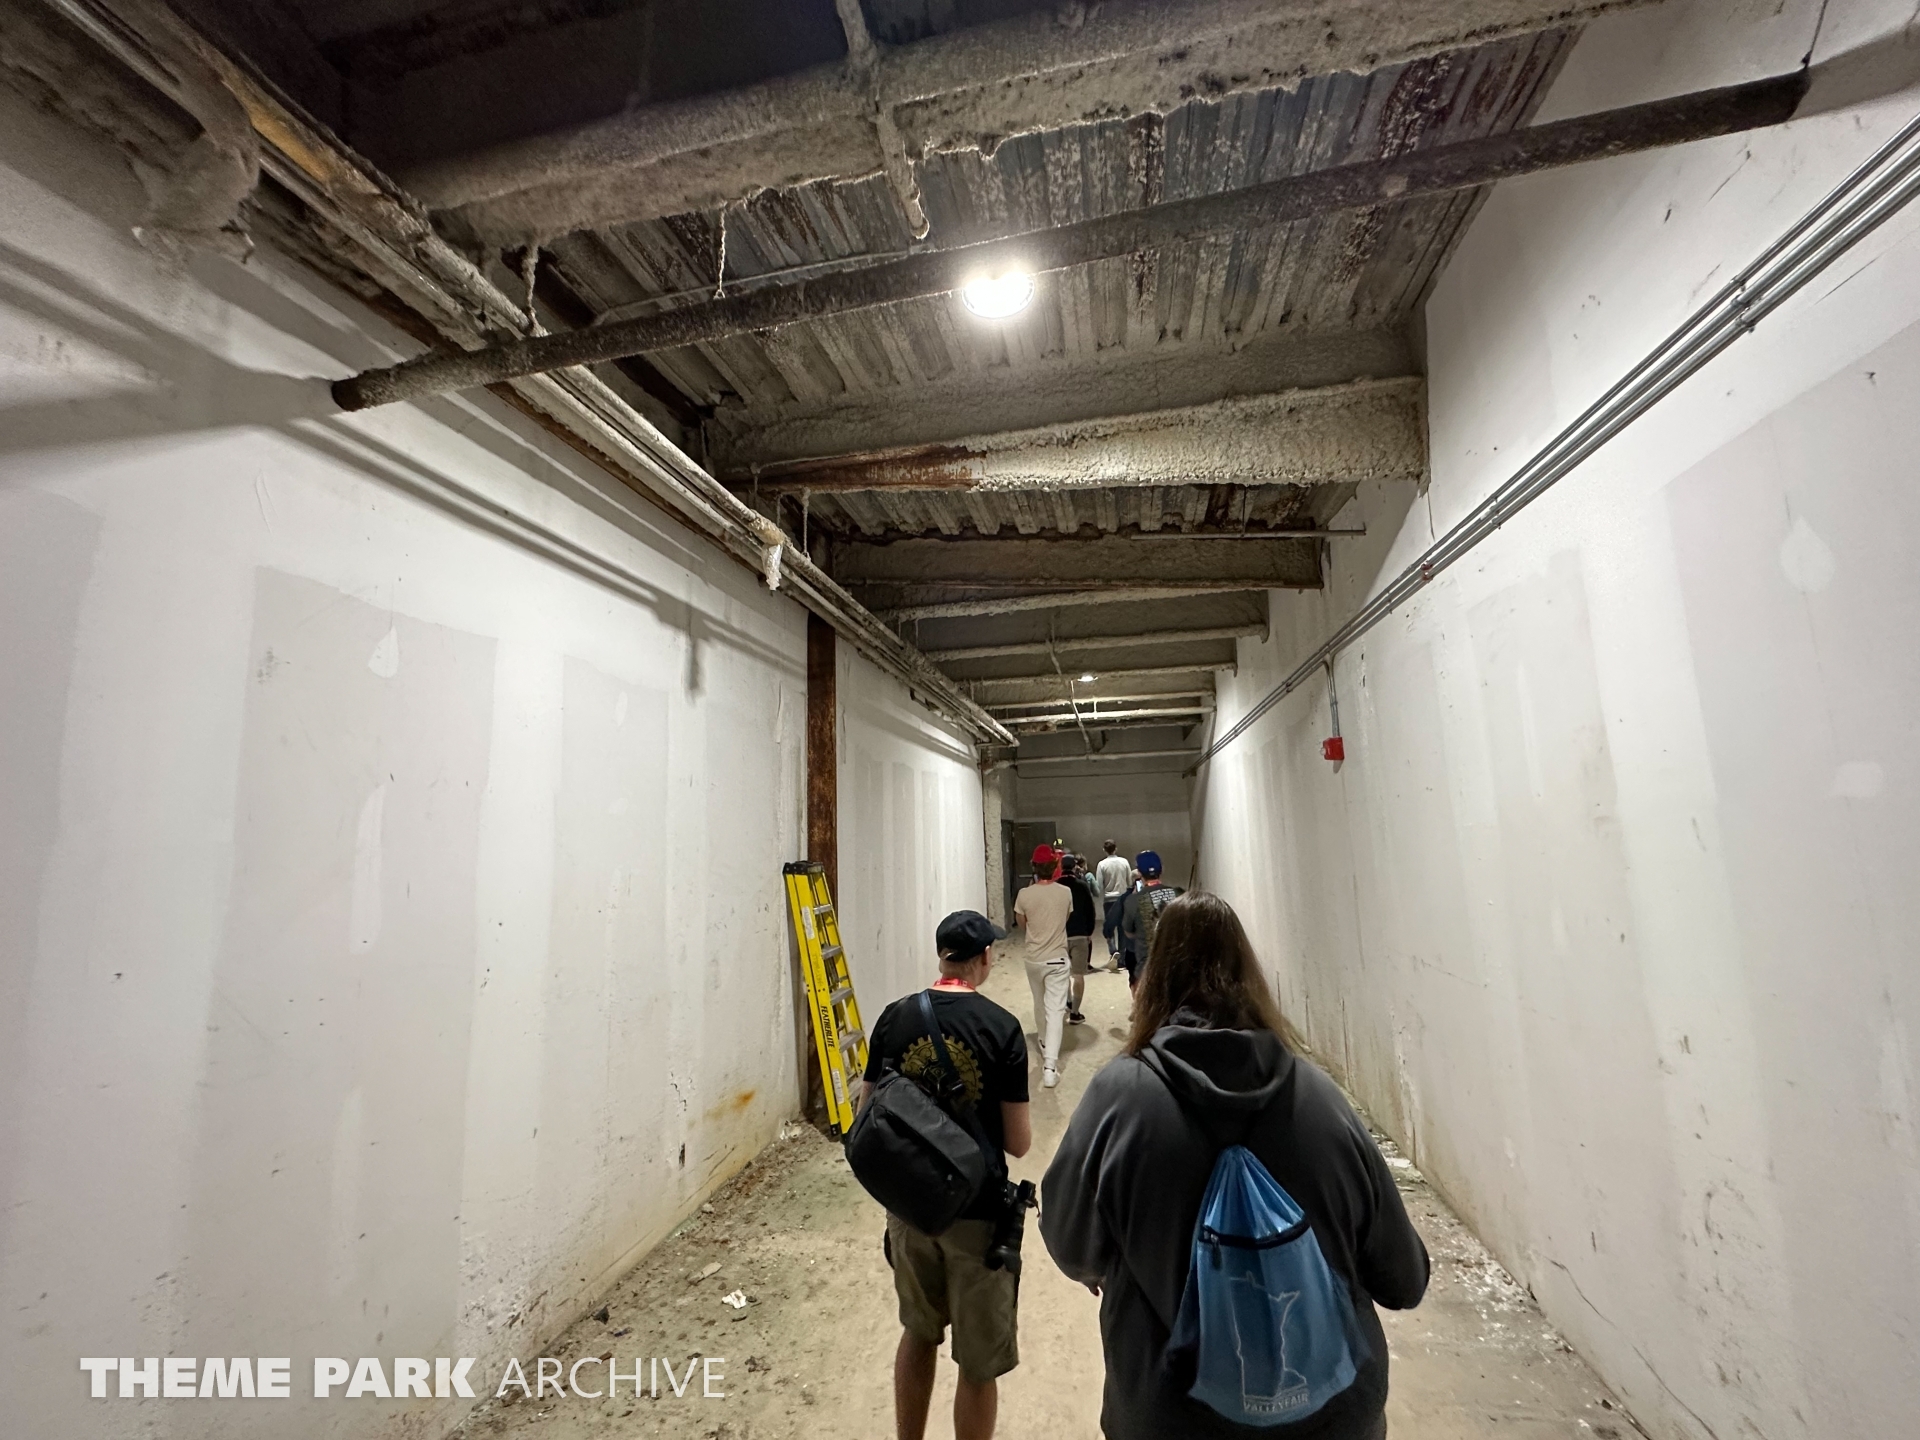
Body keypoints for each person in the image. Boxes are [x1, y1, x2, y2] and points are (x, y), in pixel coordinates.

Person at [1038, 893, 1428, 1439]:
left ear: (1155, 977)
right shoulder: (1320, 1099)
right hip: (1331, 1419)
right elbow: (1404, 1279)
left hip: (1169, 1416)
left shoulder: (1119, 1098)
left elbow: (1071, 1244)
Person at [860, 910, 1033, 1440]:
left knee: (918, 1334)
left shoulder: (894, 1017)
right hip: (977, 1214)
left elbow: (866, 1111)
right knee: (978, 1365)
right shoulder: (1002, 1027)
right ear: (985, 958)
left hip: (910, 1208)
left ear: (942, 956)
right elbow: (1018, 1142)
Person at [1013, 843, 1072, 1089]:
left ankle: (1044, 1040)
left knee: (1039, 1002)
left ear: (1034, 867)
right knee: (1055, 1010)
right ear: (1054, 866)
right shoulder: (1065, 893)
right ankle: (1050, 1067)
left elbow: (1022, 924)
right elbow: (1064, 919)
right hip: (1057, 957)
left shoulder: (1024, 895)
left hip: (1034, 958)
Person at [1119, 850, 1180, 989]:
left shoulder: (1132, 900)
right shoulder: (1178, 894)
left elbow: (1128, 932)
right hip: (1177, 965)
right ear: (1162, 869)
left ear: (1139, 873)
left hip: (1147, 968)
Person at [1061, 854, 1099, 1024]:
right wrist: (1089, 931)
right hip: (1080, 934)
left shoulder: (1056, 886)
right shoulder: (1082, 886)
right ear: (1074, 866)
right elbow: (1090, 910)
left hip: (1061, 935)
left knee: (1063, 973)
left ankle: (1068, 1001)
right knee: (1078, 975)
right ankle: (1075, 1013)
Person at [1094, 840, 1132, 966]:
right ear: (1116, 849)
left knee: (1109, 928)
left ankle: (1113, 950)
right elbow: (1129, 881)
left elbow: (1099, 885)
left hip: (1109, 900)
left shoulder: (1101, 864)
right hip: (1124, 899)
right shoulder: (1124, 862)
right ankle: (1122, 958)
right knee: (1123, 928)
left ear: (1104, 850)